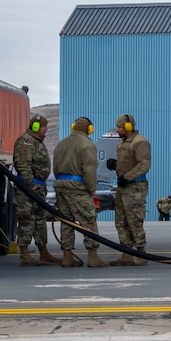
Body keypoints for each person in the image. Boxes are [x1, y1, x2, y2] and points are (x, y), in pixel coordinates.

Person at [50, 115, 103, 268]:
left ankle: (67, 257)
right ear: (89, 130)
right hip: (77, 188)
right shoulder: (87, 145)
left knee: (66, 221)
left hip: (60, 187)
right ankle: (93, 257)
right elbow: (89, 170)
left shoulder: (61, 144)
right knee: (88, 220)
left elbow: (55, 167)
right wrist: (91, 188)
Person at [107, 113, 152, 266]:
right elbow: (127, 162)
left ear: (128, 127)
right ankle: (126, 253)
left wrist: (128, 177)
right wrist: (115, 165)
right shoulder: (122, 143)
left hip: (135, 187)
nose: (117, 130)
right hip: (123, 187)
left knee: (134, 220)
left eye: (119, 127)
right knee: (120, 220)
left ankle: (141, 252)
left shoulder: (140, 142)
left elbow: (144, 164)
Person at [12, 113, 56, 265]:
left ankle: (43, 252)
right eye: (44, 127)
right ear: (36, 127)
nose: (46, 130)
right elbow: (24, 167)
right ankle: (24, 254)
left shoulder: (37, 142)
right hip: (28, 191)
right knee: (26, 220)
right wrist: (31, 186)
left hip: (38, 189)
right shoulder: (26, 142)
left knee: (39, 220)